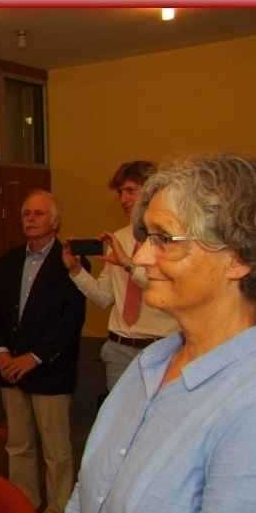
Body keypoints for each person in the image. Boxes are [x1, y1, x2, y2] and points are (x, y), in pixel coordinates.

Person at [9, 154, 256, 513]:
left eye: (165, 240)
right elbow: (88, 502)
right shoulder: (149, 365)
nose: (140, 259)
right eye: (145, 238)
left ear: (239, 258)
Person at [0, 190, 87, 513]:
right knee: (19, 446)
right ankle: (24, 508)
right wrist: (1, 353)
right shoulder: (8, 261)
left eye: (38, 214)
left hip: (50, 371)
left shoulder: (70, 262)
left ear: (55, 221)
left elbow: (70, 322)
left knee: (56, 452)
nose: (30, 218)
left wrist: (34, 358)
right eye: (26, 213)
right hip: (10, 370)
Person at [62, 161, 178, 390]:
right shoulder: (118, 238)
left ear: (151, 191)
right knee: (119, 412)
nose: (123, 199)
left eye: (130, 191)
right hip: (118, 348)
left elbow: (169, 290)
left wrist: (128, 264)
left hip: (160, 348)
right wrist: (75, 270)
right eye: (120, 192)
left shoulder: (170, 238)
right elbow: (104, 297)